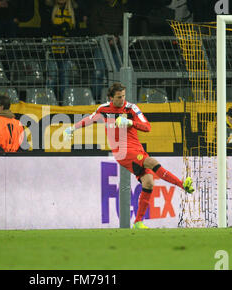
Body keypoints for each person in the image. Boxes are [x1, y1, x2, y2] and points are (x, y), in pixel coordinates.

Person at [63, 82, 194, 229]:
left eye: (124, 96)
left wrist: (130, 122)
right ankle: (182, 185)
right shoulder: (103, 109)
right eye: (119, 97)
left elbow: (147, 127)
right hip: (122, 151)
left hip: (136, 148)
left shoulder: (131, 109)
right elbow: (89, 119)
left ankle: (138, 222)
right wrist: (71, 129)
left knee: (149, 182)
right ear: (111, 98)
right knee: (151, 162)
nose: (122, 100)